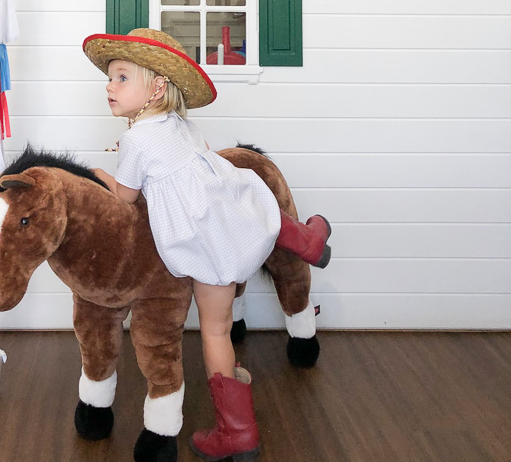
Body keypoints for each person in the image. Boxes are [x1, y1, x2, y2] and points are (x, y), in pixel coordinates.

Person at [83, 27, 332, 462]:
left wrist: (100, 175)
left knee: (214, 332)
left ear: (157, 87)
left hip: (198, 250)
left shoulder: (136, 140)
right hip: (225, 226)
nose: (109, 85)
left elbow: (125, 198)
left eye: (122, 77)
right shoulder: (181, 124)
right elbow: (204, 157)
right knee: (252, 198)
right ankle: (307, 240)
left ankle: (239, 434)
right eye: (110, 77)